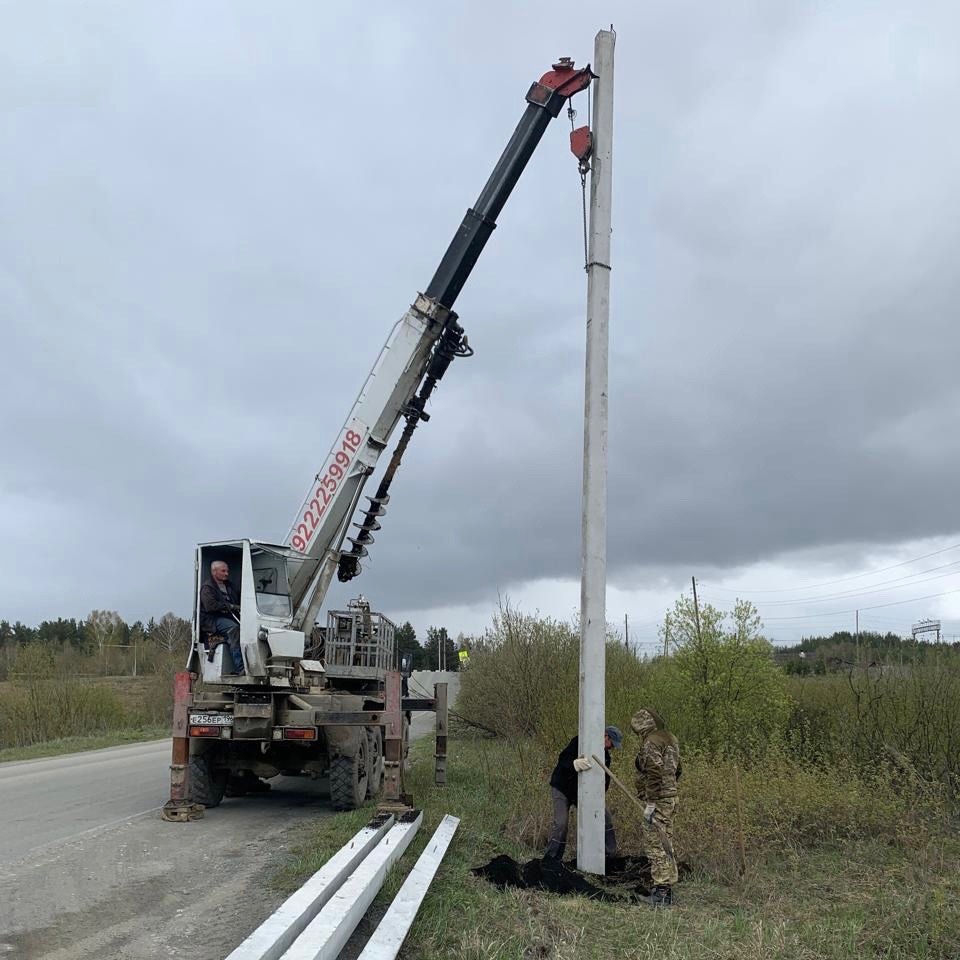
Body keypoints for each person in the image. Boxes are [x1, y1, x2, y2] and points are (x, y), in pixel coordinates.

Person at [544, 725, 623, 861]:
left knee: (606, 818)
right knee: (561, 823)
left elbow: (605, 780)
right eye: (612, 744)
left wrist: (598, 797)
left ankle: (610, 856)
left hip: (583, 793)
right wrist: (574, 764)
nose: (612, 748)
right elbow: (562, 761)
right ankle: (552, 859)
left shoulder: (605, 757)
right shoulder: (580, 742)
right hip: (562, 788)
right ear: (605, 736)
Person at [631, 707, 681, 906]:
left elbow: (654, 770)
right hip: (671, 798)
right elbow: (678, 769)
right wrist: (670, 790)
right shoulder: (670, 738)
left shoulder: (651, 742)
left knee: (654, 843)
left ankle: (661, 893)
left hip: (659, 801)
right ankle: (666, 888)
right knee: (666, 840)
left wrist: (651, 801)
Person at [199, 560, 244, 674]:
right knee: (234, 629)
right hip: (212, 620)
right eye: (223, 571)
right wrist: (231, 606)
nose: (226, 573)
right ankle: (240, 667)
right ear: (214, 572)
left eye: (227, 571)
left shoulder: (230, 586)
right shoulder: (207, 587)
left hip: (229, 616)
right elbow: (211, 606)